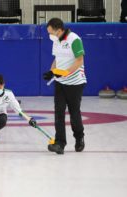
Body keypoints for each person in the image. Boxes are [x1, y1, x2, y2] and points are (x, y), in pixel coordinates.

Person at [43, 18, 87, 154]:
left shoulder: (75, 39)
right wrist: (51, 71)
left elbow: (80, 60)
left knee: (74, 113)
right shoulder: (56, 41)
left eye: (52, 32)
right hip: (60, 83)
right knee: (59, 113)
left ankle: (79, 137)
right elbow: (57, 58)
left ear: (59, 30)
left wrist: (66, 73)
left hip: (75, 83)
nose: (50, 35)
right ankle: (60, 143)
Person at [0, 74, 37, 143]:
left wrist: (29, 119)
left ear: (3, 85)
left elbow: (17, 109)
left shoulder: (9, 93)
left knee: (2, 120)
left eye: (0, 86)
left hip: (0, 114)